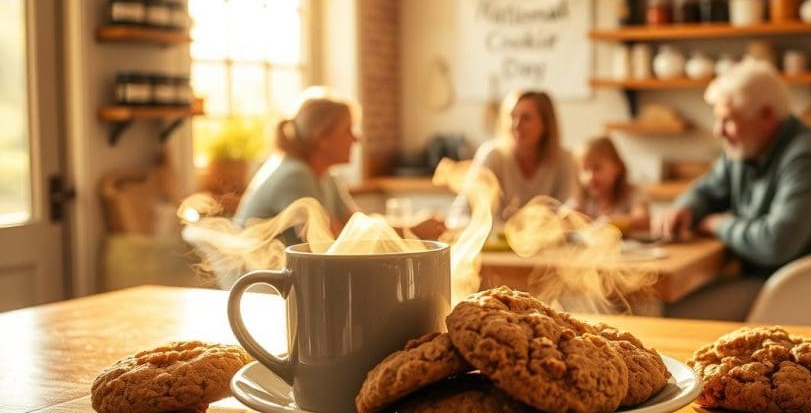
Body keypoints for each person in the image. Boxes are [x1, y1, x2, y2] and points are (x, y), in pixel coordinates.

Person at [659, 59, 811, 325]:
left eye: (728, 120)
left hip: (795, 293)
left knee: (667, 316)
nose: (718, 131)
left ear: (766, 116)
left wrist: (720, 224)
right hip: (767, 279)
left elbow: (775, 243)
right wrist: (686, 207)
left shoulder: (807, 159)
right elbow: (708, 189)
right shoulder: (746, 147)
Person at [235, 96, 444, 246]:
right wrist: (412, 230)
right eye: (348, 130)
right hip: (261, 288)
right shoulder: (294, 175)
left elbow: (355, 224)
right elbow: (329, 241)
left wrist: (411, 227)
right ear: (321, 137)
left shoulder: (326, 175)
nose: (357, 138)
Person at [449, 90, 578, 227]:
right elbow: (461, 212)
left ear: (545, 125)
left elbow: (569, 208)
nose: (516, 124)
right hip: (493, 243)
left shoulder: (564, 159)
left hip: (544, 244)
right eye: (512, 116)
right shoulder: (493, 155)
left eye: (526, 118)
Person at [566, 136, 650, 234]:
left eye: (597, 168)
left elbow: (643, 220)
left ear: (617, 167)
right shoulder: (581, 199)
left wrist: (612, 222)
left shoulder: (632, 194)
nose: (590, 177)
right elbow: (562, 216)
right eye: (584, 169)